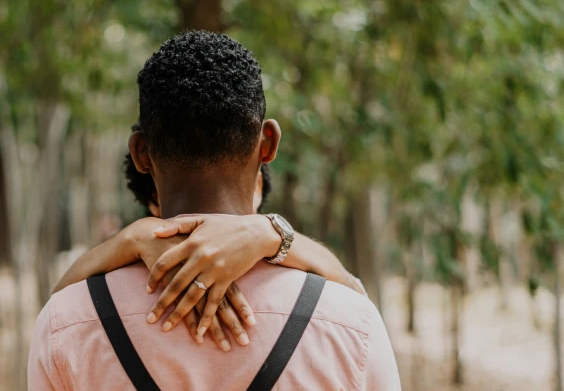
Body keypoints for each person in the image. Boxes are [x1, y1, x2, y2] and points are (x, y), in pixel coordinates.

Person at [28, 31, 413, 391]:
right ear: (267, 144)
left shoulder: (67, 326)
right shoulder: (350, 325)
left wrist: (125, 242)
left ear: (140, 154)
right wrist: (278, 235)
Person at [54, 133, 366, 351]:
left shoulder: (318, 296)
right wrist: (130, 238)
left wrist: (271, 234)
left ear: (258, 187)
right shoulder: (335, 315)